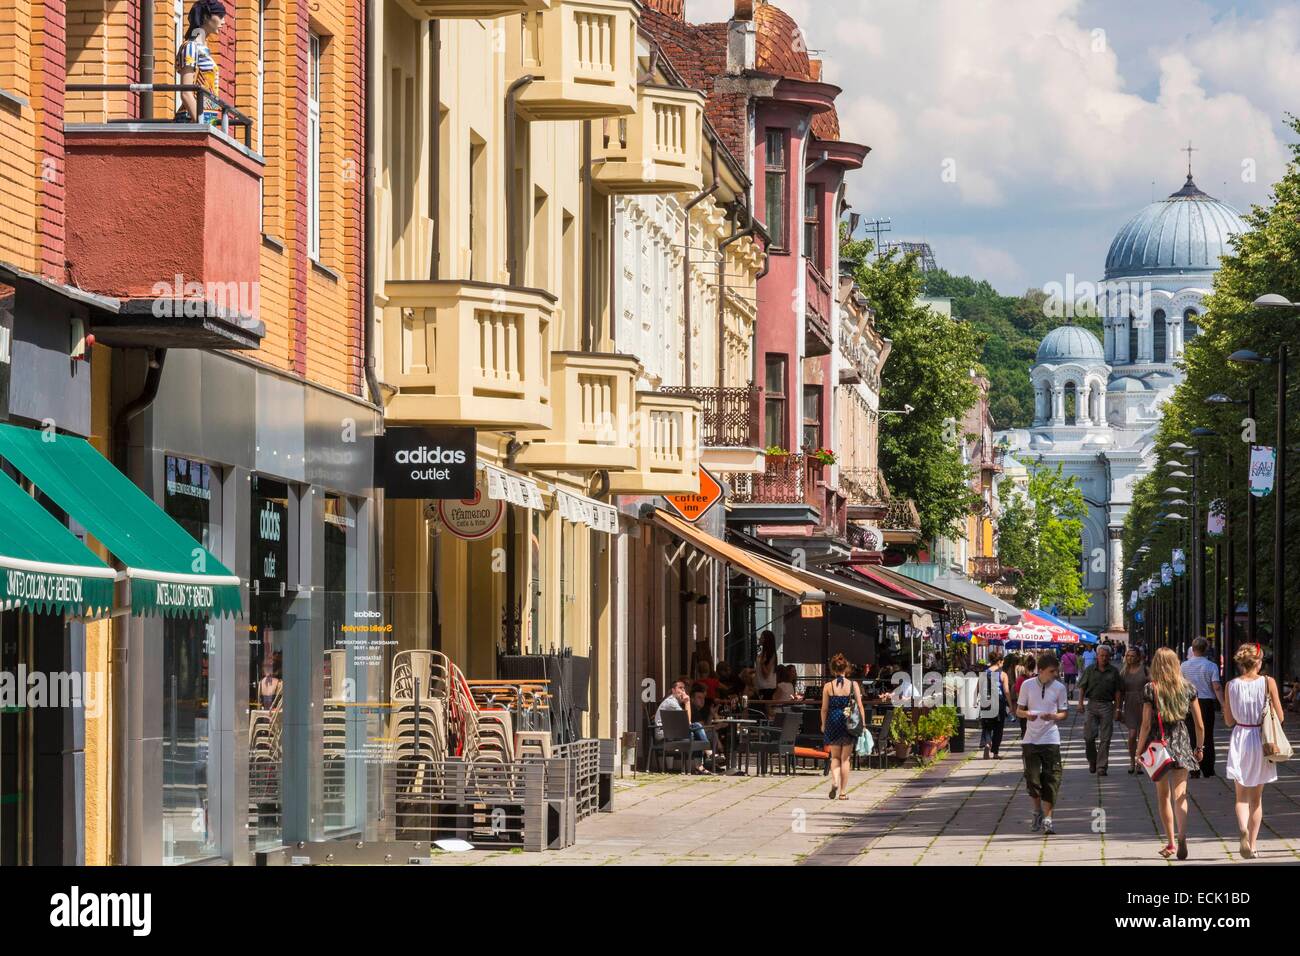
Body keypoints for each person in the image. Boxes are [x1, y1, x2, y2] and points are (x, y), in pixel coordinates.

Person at [1137, 647, 1204, 860]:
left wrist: (1138, 752)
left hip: (1159, 745)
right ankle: (1183, 834)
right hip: (1182, 743)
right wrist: (1199, 748)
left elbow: (1146, 725)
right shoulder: (1188, 688)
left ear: (1156, 664)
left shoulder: (1151, 689)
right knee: (1180, 795)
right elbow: (1200, 725)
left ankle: (1171, 842)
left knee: (1163, 796)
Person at [1223, 643, 1285, 859]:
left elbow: (1229, 720)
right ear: (1258, 662)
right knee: (1256, 799)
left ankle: (1242, 828)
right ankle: (1253, 844)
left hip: (1240, 738)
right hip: (1261, 740)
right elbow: (1281, 716)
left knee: (1240, 797)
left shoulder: (1231, 685)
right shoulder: (1268, 682)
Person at [1016, 652, 1069, 835]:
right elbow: (1018, 711)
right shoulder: (1027, 685)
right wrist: (1027, 714)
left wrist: (1054, 716)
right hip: (1030, 739)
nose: (1055, 674)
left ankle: (1048, 819)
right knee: (1033, 780)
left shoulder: (1059, 688)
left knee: (1051, 779)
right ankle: (1037, 810)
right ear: (1041, 670)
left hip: (1051, 739)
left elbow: (1064, 712)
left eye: (1056, 671)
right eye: (1052, 671)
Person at [176, 1, 227, 125]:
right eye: (220, 16)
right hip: (191, 120)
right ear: (205, 16)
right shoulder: (191, 47)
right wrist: (201, 125)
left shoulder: (203, 49)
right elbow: (186, 92)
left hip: (207, 119)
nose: (223, 21)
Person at [820, 653, 863, 801]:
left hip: (833, 721)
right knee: (845, 759)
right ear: (847, 668)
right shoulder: (853, 685)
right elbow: (859, 705)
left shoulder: (828, 686)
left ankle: (834, 781)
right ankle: (843, 792)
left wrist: (823, 724)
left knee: (835, 757)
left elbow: (824, 708)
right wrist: (862, 724)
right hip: (848, 722)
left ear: (833, 669)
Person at [1181, 636, 1224, 777]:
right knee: (1207, 735)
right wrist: (1223, 704)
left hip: (1188, 703)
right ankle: (1208, 768)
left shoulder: (1183, 666)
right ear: (1206, 649)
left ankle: (1193, 769)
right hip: (1206, 703)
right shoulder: (1211, 666)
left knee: (1191, 735)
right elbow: (1216, 687)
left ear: (1192, 650)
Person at [1078, 644, 1121, 775]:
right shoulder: (1090, 670)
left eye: (1106, 656)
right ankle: (1092, 760)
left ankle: (1102, 766)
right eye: (1101, 655)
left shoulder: (1114, 671)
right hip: (1092, 705)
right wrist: (1080, 703)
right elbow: (1082, 687)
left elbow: (1118, 691)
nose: (1104, 658)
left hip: (1107, 705)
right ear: (1097, 656)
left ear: (1109, 657)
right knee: (1089, 737)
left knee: (1105, 738)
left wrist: (1118, 708)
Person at [655, 678, 711, 773]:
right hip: (664, 734)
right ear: (673, 690)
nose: (683, 691)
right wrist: (687, 702)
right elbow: (687, 721)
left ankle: (701, 763)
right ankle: (707, 755)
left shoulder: (674, 702)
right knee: (696, 727)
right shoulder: (671, 702)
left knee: (695, 731)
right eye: (680, 688)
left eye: (684, 689)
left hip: (671, 732)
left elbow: (685, 723)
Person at [1118, 648, 1149, 774]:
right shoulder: (1123, 672)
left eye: (1132, 656)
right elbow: (1120, 692)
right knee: (1132, 735)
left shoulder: (1145, 669)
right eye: (1128, 656)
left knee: (1144, 736)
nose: (1129, 658)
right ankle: (1132, 760)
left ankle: (1139, 763)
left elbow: (1153, 684)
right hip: (1130, 704)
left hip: (1144, 704)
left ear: (1138, 657)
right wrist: (1118, 709)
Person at [979, 651, 1011, 759]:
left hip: (985, 701)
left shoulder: (984, 673)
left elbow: (978, 688)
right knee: (998, 728)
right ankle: (995, 752)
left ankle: (987, 743)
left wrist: (975, 700)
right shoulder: (1003, 674)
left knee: (987, 726)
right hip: (999, 702)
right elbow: (1006, 691)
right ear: (999, 662)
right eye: (1002, 661)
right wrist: (1010, 705)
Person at [1014, 654, 1036, 738]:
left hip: (1024, 707)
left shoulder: (1021, 679)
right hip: (1035, 706)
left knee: (1024, 727)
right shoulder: (1037, 678)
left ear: (1025, 666)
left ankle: (1025, 741)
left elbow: (1017, 694)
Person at [755, 631, 779, 700]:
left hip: (767, 686)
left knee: (767, 708)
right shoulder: (762, 653)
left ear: (766, 640)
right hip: (761, 685)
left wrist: (762, 663)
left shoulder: (771, 654)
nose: (759, 639)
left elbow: (766, 673)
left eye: (762, 637)